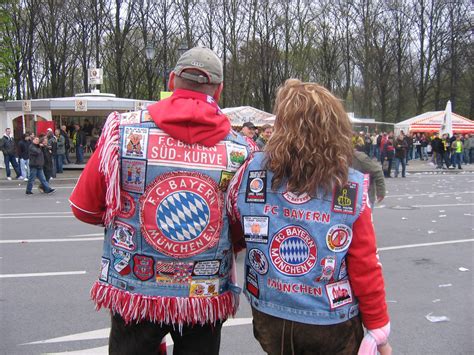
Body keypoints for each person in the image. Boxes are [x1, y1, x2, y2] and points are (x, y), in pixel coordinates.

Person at [69, 46, 251, 354]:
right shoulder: (241, 150)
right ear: (218, 90)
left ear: (171, 81)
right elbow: (241, 229)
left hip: (135, 291)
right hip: (203, 297)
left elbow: (84, 208)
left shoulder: (123, 131)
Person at [227, 79, 391, 355]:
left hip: (269, 315)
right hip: (329, 319)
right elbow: (365, 264)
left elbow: (235, 228)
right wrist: (379, 330)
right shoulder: (349, 185)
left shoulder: (250, 171)